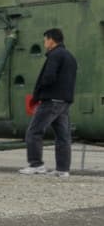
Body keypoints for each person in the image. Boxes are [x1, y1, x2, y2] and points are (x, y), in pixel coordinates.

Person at [19, 28, 77, 176]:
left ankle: (36, 164)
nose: (44, 43)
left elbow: (49, 77)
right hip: (64, 102)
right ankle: (62, 170)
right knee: (63, 137)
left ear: (51, 40)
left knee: (34, 132)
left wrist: (39, 94)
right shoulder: (70, 57)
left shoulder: (55, 55)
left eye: (45, 39)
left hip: (51, 101)